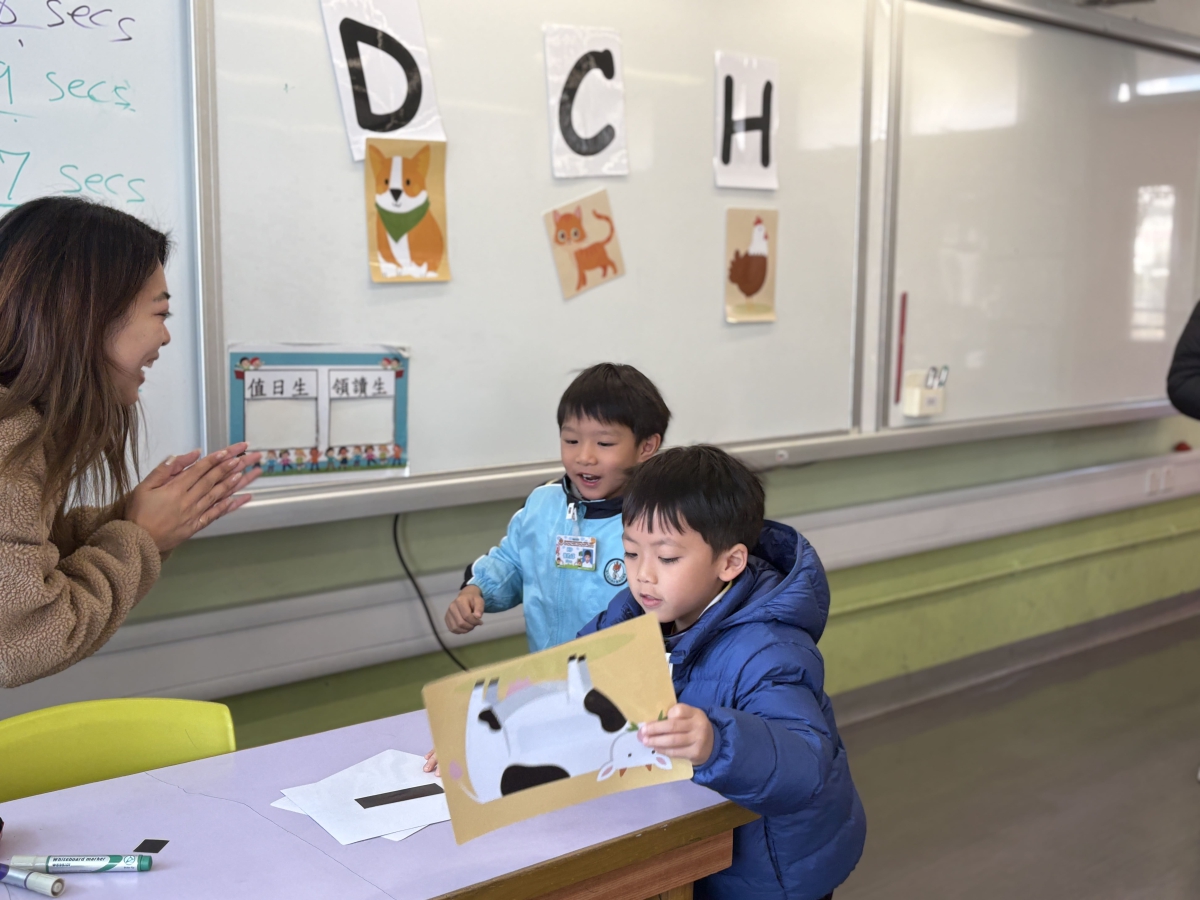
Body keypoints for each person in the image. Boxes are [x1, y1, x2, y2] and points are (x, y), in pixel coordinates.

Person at [579, 446, 865, 900]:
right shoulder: (629, 614)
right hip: (687, 845)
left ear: (729, 563)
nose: (643, 576)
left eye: (667, 558)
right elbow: (578, 674)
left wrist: (718, 742)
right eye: (631, 553)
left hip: (769, 872)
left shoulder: (768, 649)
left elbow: (806, 764)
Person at [0, 196, 262, 688]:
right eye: (160, 313)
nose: (165, 338)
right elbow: (24, 637)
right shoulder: (8, 439)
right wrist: (140, 537)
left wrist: (128, 517)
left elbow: (21, 554)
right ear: (87, 314)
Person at [444, 363, 670, 652]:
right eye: (571, 440)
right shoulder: (543, 505)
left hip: (628, 671)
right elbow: (513, 561)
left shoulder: (661, 520)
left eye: (604, 443)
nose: (584, 457)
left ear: (646, 447)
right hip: (552, 668)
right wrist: (476, 590)